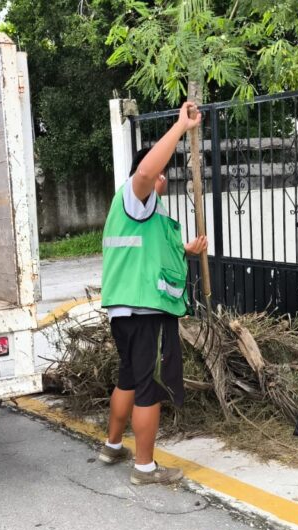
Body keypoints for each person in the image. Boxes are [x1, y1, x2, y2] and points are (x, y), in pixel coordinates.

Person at [98, 101, 207, 485]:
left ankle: (112, 446)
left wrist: (185, 250)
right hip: (146, 313)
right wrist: (180, 128)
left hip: (126, 311)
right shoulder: (136, 195)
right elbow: (145, 169)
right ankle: (145, 467)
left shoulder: (145, 211)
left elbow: (148, 252)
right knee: (149, 387)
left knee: (127, 378)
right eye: (162, 174)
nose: (163, 180)